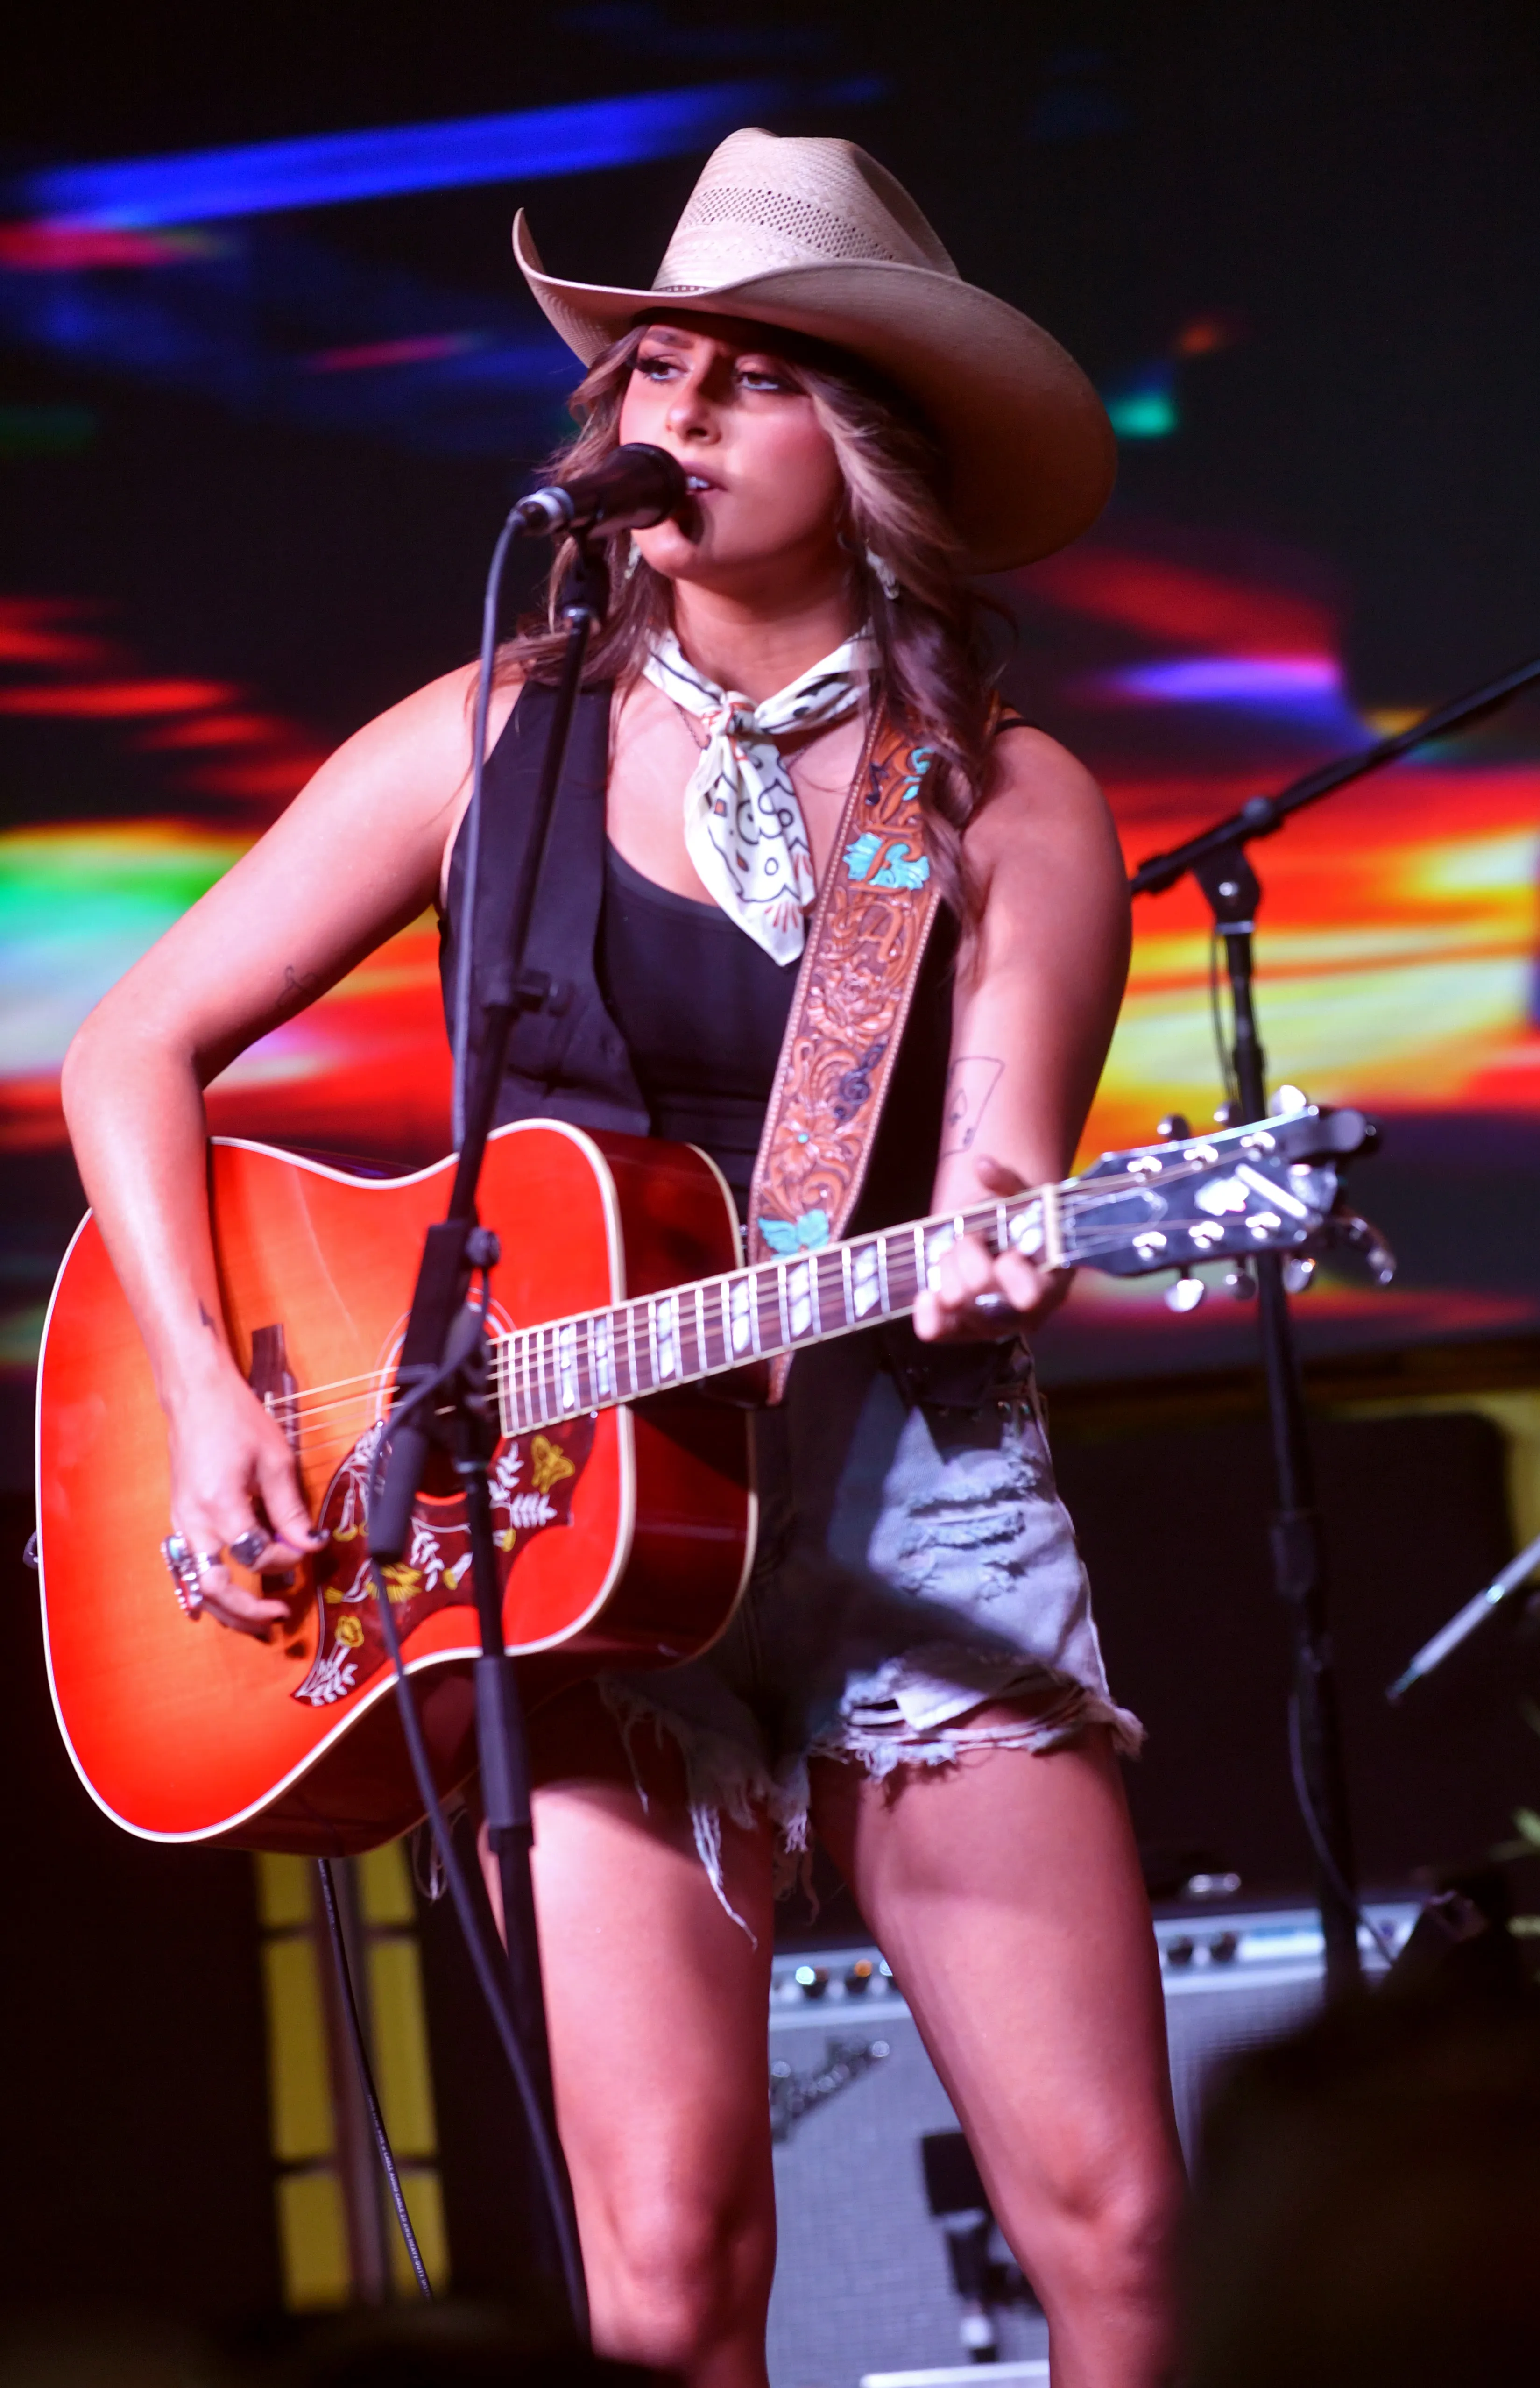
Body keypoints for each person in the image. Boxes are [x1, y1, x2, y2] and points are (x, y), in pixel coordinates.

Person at [62, 131, 1184, 2388]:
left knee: (1118, 2234)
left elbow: (992, 1173)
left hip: (905, 1510)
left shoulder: (998, 797)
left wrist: (991, 1243)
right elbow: (133, 1041)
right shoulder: (490, 734)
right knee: (663, 2281)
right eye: (655, 366)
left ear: (870, 452)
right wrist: (206, 1401)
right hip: (566, 1540)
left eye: (749, 377)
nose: (673, 409)